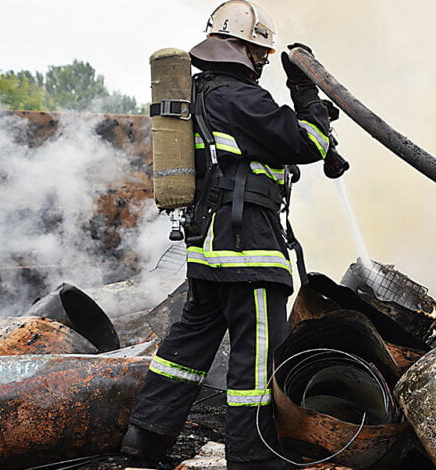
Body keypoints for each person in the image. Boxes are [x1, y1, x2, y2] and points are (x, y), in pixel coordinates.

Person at [121, 1, 331, 468]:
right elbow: (308, 144)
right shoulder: (240, 98)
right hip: (248, 250)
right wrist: (307, 95)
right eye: (259, 54)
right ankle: (253, 457)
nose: (261, 62)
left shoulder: (198, 94)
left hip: (208, 249)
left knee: (186, 348)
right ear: (242, 49)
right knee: (257, 358)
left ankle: (145, 439)